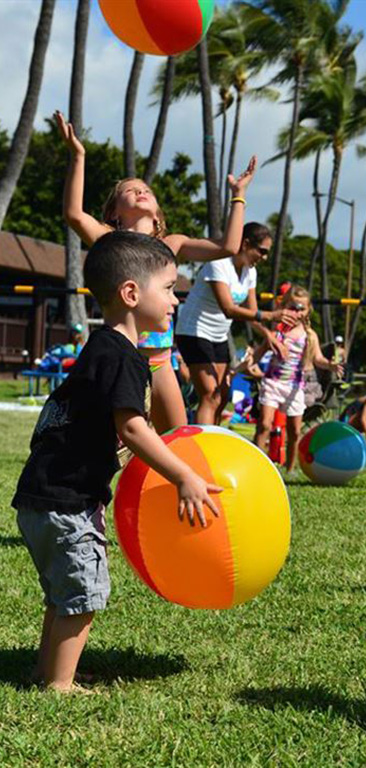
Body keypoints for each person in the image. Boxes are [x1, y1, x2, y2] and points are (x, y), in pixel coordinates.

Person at [11, 231, 221, 692]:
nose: (174, 299)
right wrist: (183, 474)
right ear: (131, 293)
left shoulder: (100, 349)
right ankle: (59, 684)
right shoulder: (124, 357)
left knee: (63, 596)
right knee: (82, 595)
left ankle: (48, 670)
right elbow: (132, 427)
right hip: (66, 503)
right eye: (168, 289)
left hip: (42, 498)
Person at [56, 110, 256, 435]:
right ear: (114, 212)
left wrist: (239, 194)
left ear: (158, 209)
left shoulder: (171, 244)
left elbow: (229, 246)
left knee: (177, 440)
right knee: (116, 444)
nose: (140, 191)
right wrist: (78, 156)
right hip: (122, 357)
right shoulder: (111, 240)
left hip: (162, 358)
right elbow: (74, 214)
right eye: (130, 190)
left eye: (146, 188)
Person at [175, 222, 295, 425]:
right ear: (246, 244)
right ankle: (202, 449)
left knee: (222, 394)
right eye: (262, 251)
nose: (264, 257)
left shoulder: (250, 272)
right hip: (193, 331)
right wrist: (270, 316)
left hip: (218, 335)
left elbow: (250, 313)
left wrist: (268, 335)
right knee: (209, 394)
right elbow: (229, 309)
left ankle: (215, 442)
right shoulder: (218, 263)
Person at [249, 286, 342, 473]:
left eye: (301, 309)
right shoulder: (277, 332)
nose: (297, 312)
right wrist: (249, 366)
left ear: (308, 311)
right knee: (264, 425)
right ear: (284, 307)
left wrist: (330, 365)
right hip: (272, 382)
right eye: (292, 307)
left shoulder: (309, 335)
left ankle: (289, 468)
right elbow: (258, 354)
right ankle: (257, 465)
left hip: (294, 386)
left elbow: (317, 359)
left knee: (295, 431)